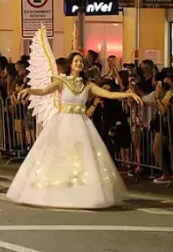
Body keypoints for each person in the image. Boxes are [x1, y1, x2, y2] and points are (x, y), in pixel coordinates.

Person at [8, 27, 142, 209]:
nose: (79, 64)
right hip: (62, 122)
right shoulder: (61, 81)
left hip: (81, 123)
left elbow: (109, 94)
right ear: (71, 64)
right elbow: (43, 90)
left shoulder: (88, 85)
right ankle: (56, 189)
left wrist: (127, 94)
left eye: (81, 61)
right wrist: (29, 90)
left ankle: (81, 190)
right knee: (59, 155)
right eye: (76, 61)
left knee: (83, 158)